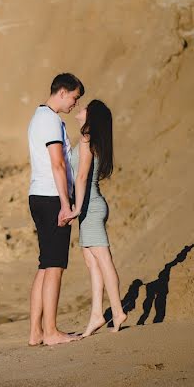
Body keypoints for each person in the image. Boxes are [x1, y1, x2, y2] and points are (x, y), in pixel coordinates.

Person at [27, 73, 83, 346]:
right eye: (74, 97)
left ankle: (36, 332)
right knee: (55, 266)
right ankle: (50, 331)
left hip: (38, 195)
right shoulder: (49, 120)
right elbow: (57, 163)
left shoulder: (38, 117)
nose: (74, 103)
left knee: (45, 265)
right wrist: (66, 203)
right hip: (51, 198)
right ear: (62, 92)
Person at [68, 99, 128, 336]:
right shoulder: (92, 139)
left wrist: (75, 208)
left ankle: (117, 309)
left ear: (91, 116)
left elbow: (81, 177)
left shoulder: (87, 138)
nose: (79, 109)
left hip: (90, 208)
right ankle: (96, 314)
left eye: (84, 108)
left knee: (103, 260)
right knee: (91, 262)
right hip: (90, 207)